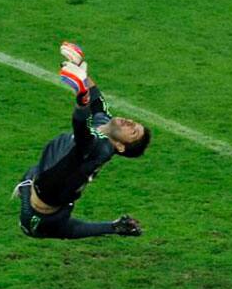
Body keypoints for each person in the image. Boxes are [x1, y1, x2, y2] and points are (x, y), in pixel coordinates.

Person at [12, 42, 151, 239]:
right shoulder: (104, 122)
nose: (129, 122)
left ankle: (113, 227)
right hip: (48, 193)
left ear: (120, 146)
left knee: (48, 225)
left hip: (40, 212)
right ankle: (114, 227)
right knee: (65, 225)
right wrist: (79, 66)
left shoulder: (101, 148)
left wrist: (81, 99)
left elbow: (82, 128)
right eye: (133, 123)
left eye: (133, 132)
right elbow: (97, 98)